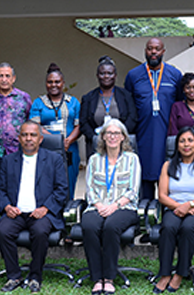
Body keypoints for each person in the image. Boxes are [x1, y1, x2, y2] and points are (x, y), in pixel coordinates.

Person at [0, 120, 68, 293]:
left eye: (33, 135)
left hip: (41, 212)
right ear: (19, 138)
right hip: (16, 212)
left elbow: (62, 189)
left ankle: (35, 276)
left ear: (40, 139)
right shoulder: (8, 160)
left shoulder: (54, 159)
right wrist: (6, 207)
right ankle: (14, 276)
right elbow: (0, 190)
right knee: (2, 231)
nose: (29, 138)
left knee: (41, 232)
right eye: (25, 135)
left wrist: (46, 208)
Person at [82, 119, 141, 295]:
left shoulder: (132, 160)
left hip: (124, 207)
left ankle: (108, 279)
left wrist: (114, 206)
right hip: (97, 206)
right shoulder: (94, 160)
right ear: (103, 137)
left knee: (111, 226)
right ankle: (96, 278)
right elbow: (89, 189)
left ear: (123, 137)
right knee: (89, 225)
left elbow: (133, 191)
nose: (113, 136)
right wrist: (100, 205)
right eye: (109, 133)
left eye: (116, 133)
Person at [154, 127, 194, 293]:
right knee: (168, 228)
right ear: (177, 146)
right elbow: (162, 195)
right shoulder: (168, 165)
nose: (186, 144)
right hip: (174, 208)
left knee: (188, 228)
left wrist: (190, 205)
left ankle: (180, 274)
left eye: (190, 140)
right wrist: (180, 207)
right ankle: (165, 273)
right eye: (182, 141)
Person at [124, 37, 181, 199]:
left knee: (169, 180)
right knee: (144, 181)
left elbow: (179, 104)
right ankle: (145, 218)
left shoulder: (174, 74)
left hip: (168, 136)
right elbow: (128, 105)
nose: (153, 52)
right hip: (143, 135)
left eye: (157, 48)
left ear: (163, 51)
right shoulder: (133, 75)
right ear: (145, 51)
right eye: (150, 48)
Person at [30, 63, 82, 197]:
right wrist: (55, 141)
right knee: (46, 184)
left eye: (57, 82)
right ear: (45, 84)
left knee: (68, 183)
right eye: (50, 82)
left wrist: (68, 141)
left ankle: (67, 212)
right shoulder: (38, 103)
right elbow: (35, 125)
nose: (54, 85)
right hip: (45, 150)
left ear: (63, 83)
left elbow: (79, 125)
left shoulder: (73, 102)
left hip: (69, 149)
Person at [79, 56, 138, 164]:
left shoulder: (126, 95)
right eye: (102, 73)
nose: (106, 76)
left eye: (110, 73)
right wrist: (97, 139)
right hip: (96, 146)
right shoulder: (88, 97)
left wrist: (119, 136)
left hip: (121, 144)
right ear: (97, 76)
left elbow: (133, 118)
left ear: (115, 76)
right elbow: (83, 122)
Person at [0, 62, 32, 157]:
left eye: (7, 76)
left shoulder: (24, 97)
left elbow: (30, 123)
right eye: (1, 76)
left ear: (13, 78)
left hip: (18, 149)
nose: (4, 79)